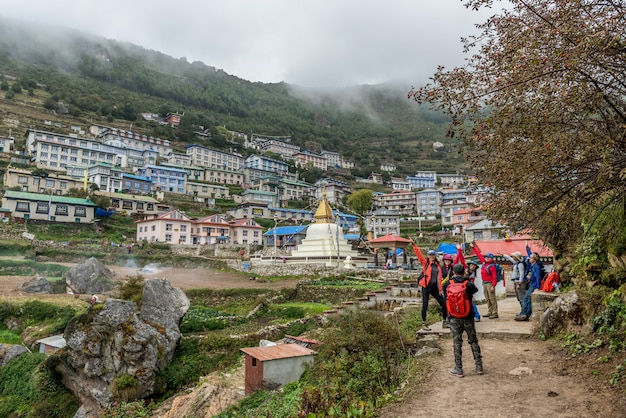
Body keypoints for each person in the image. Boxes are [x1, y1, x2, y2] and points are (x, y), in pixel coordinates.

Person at [444, 263, 483, 378]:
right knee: (473, 340)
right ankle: (479, 366)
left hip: (454, 317)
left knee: (457, 343)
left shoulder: (448, 284)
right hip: (468, 316)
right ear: (463, 272)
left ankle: (459, 369)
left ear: (453, 272)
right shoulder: (468, 284)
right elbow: (475, 290)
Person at [409, 239, 448, 330]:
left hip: (435, 288)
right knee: (425, 305)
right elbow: (419, 255)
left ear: (435, 256)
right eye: (430, 255)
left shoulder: (438, 266)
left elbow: (439, 279)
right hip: (426, 287)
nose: (431, 256)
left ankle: (445, 321)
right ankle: (424, 323)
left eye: (433, 255)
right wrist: (414, 245)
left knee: (444, 303)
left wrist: (440, 289)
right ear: (428, 256)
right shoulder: (426, 263)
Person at [455, 243, 481, 322]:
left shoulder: (472, 275)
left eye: (474, 266)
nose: (472, 267)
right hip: (462, 288)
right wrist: (459, 250)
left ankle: (477, 315)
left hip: (467, 288)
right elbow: (462, 259)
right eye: (471, 265)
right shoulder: (465, 269)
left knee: (471, 302)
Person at [474, 246, 500, 319]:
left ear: (491, 259)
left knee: (492, 298)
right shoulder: (484, 263)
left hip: (490, 283)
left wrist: (493, 286)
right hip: (484, 283)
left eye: (488, 258)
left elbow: (495, 277)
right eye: (486, 257)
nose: (487, 258)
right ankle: (490, 311)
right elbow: (479, 255)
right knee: (487, 298)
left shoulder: (492, 266)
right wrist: (474, 248)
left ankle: (495, 313)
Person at [516, 252, 542, 321]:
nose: (529, 259)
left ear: (534, 259)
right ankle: (527, 314)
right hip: (532, 284)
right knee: (529, 300)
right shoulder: (533, 266)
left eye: (531, 258)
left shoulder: (536, 267)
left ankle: (523, 313)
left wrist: (538, 287)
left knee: (525, 299)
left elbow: (538, 277)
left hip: (534, 285)